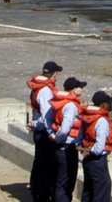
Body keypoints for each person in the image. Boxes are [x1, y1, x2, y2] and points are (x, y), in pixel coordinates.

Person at [28, 61, 63, 202]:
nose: (57, 77)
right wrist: (47, 130)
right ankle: (42, 195)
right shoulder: (46, 91)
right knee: (46, 165)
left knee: (39, 162)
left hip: (38, 131)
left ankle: (36, 190)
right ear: (53, 75)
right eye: (57, 74)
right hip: (43, 133)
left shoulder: (36, 87)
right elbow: (46, 116)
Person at [78, 90, 112, 202]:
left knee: (88, 190)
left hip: (88, 160)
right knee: (102, 190)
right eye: (108, 103)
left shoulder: (87, 117)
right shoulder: (101, 121)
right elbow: (99, 147)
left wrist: (84, 149)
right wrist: (91, 150)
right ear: (102, 105)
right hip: (97, 161)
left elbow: (80, 136)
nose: (110, 105)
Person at [52, 76, 87, 202]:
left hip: (60, 147)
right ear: (73, 90)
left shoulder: (60, 101)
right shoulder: (71, 105)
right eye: (80, 87)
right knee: (66, 182)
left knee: (60, 181)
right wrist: (59, 139)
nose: (82, 89)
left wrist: (54, 136)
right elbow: (66, 128)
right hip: (66, 147)